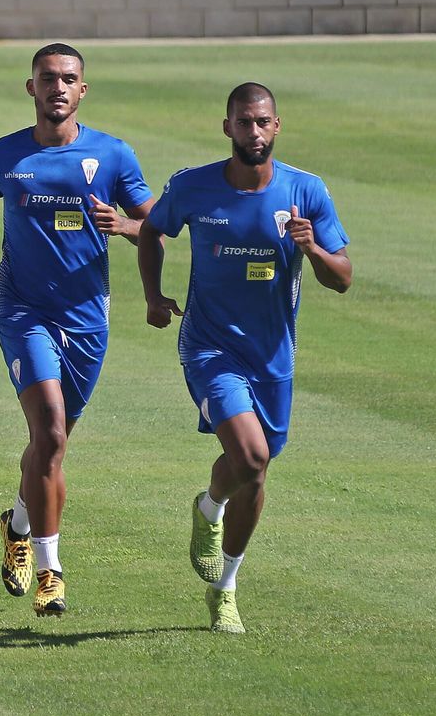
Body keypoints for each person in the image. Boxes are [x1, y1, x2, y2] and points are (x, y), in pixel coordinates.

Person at [138, 83, 352, 633]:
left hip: (273, 355)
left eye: (263, 123)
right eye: (243, 122)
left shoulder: (306, 192)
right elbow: (152, 231)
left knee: (254, 475)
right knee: (251, 458)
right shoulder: (193, 186)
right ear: (227, 127)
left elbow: (343, 279)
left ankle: (223, 577)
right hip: (209, 346)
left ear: (276, 126)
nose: (253, 132)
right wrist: (154, 297)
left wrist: (313, 249)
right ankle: (213, 514)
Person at [0, 44, 153, 617]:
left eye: (69, 79)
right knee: (50, 431)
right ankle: (51, 571)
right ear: (31, 88)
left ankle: (17, 524)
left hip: (87, 315)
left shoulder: (113, 156)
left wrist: (124, 224)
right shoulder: (0, 156)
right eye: (48, 78)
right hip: (22, 309)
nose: (58, 88)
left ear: (83, 90)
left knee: (50, 444)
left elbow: (157, 225)